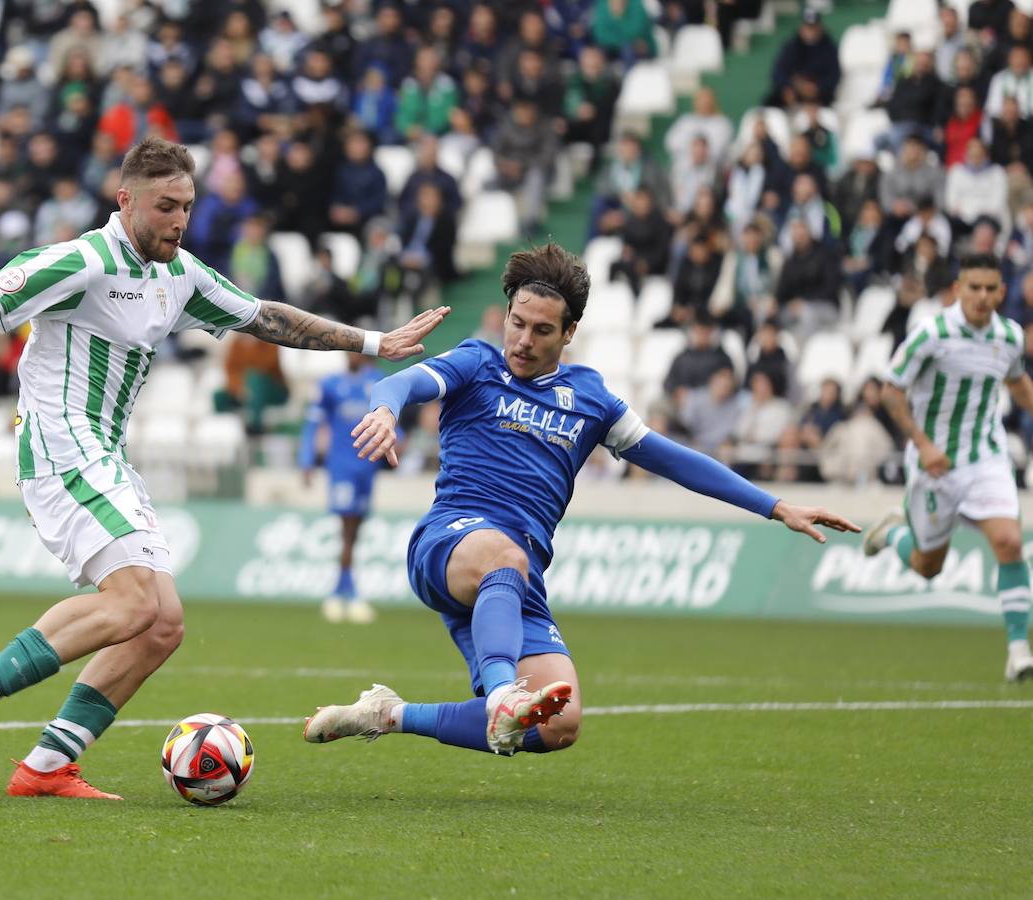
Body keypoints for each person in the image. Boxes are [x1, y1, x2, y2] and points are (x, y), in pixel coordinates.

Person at [0, 138, 449, 799]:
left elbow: (265, 317)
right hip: (60, 445)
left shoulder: (179, 274)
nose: (179, 220)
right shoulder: (81, 260)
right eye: (166, 206)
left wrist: (373, 342)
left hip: (106, 453)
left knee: (162, 624)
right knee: (133, 602)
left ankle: (47, 766)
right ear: (125, 200)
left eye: (187, 207)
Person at [304, 243, 857, 757]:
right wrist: (384, 410)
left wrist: (775, 506)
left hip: (515, 577)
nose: (522, 340)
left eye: (541, 330)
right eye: (516, 323)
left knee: (558, 725)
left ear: (568, 333)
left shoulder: (591, 399)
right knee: (505, 562)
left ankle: (388, 714)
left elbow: (677, 460)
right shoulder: (477, 362)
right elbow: (399, 384)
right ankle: (502, 697)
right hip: (450, 542)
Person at [863, 253, 1033, 683]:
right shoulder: (931, 333)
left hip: (986, 457)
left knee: (1010, 541)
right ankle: (892, 534)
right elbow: (891, 392)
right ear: (958, 288)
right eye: (973, 287)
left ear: (1001, 291)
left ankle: (1018, 651)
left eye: (990, 288)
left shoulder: (1010, 336)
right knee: (927, 566)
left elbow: (1016, 383)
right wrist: (922, 444)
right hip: (934, 463)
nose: (981, 296)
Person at [299, 354, 385, 624]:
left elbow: (392, 416)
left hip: (368, 467)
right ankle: (345, 593)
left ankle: (342, 590)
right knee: (347, 528)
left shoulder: (377, 381)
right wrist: (307, 458)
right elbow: (313, 422)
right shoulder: (331, 384)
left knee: (355, 528)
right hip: (342, 466)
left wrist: (400, 441)